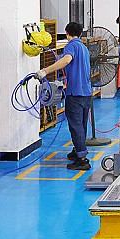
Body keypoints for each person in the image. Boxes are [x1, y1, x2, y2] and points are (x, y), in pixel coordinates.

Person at [39, 21, 93, 171]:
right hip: (86, 93)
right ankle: (77, 150)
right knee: (81, 125)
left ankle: (82, 159)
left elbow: (67, 60)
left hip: (75, 93)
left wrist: (45, 71)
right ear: (80, 33)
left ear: (67, 33)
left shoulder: (71, 46)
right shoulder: (84, 48)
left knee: (75, 126)